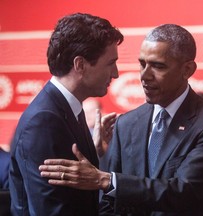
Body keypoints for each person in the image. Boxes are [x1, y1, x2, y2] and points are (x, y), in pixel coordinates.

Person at [39, 24, 203, 216]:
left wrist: (107, 180)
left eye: (158, 67)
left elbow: (184, 191)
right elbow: (109, 204)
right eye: (142, 64)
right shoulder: (126, 124)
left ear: (187, 70)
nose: (144, 76)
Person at [9, 13, 123, 216]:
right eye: (110, 63)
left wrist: (95, 152)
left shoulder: (69, 107)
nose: (115, 73)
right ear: (80, 64)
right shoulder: (43, 121)